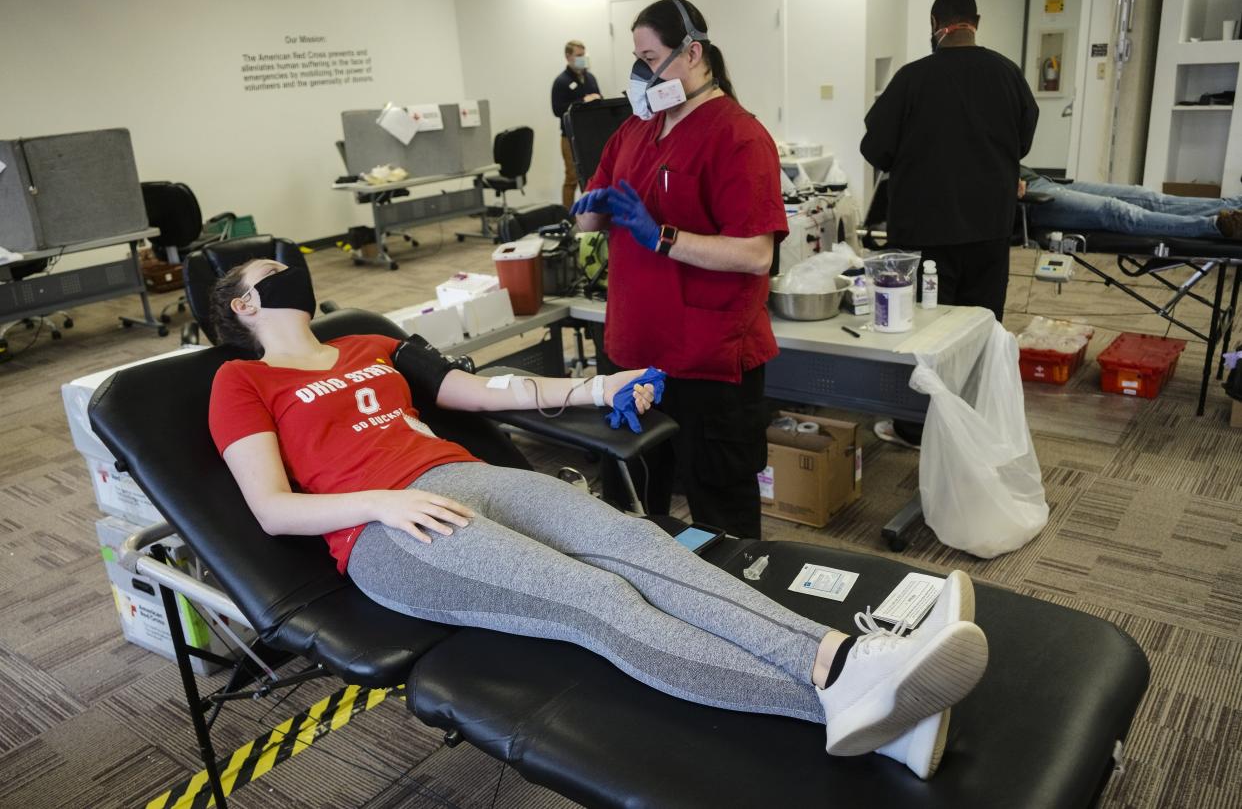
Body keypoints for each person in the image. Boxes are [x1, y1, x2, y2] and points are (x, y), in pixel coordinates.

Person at [206, 257, 990, 778]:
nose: (293, 273)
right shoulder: (241, 380)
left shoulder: (370, 343)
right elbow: (273, 510)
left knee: (629, 541)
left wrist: (593, 386)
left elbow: (482, 393)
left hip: (461, 477)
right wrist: (380, 502)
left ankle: (840, 657)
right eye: (273, 273)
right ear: (245, 303)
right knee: (596, 598)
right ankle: (841, 700)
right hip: (386, 531)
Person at [572, 0, 784, 540]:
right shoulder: (634, 132)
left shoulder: (739, 136)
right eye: (636, 59)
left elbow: (756, 253)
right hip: (634, 351)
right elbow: (591, 218)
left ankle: (738, 610)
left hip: (706, 359)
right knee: (636, 497)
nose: (641, 72)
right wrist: (589, 206)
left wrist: (661, 236)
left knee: (720, 509)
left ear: (693, 54)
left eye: (650, 57)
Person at [861, 0, 1037, 448]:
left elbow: (874, 148)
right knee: (981, 326)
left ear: (935, 24)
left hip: (924, 236)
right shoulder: (1008, 74)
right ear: (975, 22)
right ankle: (973, 424)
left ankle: (917, 426)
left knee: (925, 331)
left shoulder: (913, 78)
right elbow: (1023, 142)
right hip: (988, 231)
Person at [1022, 165, 1242, 239]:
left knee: (1148, 197)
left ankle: (1235, 205)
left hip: (1042, 181)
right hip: (1030, 202)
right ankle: (1218, 227)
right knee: (1116, 212)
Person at [551, 40, 602, 209]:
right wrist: (582, 101)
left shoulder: (590, 78)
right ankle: (567, 216)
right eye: (579, 56)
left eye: (584, 55)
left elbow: (599, 98)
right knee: (572, 177)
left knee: (593, 176)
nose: (583, 58)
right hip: (570, 137)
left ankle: (592, 213)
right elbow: (557, 110)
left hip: (591, 135)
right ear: (568, 57)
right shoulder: (561, 81)